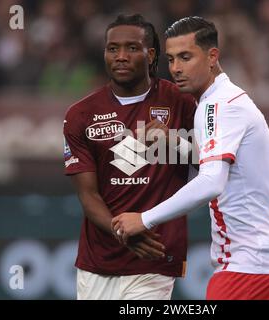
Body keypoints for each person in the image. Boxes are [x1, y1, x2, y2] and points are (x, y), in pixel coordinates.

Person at [112, 16, 269, 300]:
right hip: (260, 258)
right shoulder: (219, 101)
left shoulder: (218, 106)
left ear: (212, 56)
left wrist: (144, 219)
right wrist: (177, 144)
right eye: (172, 59)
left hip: (253, 261)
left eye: (186, 57)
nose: (175, 68)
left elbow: (212, 181)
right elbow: (224, 163)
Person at [63, 14, 196, 300]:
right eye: (113, 49)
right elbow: (89, 196)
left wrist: (175, 142)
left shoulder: (183, 102)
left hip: (155, 256)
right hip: (98, 261)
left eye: (132, 48)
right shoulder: (80, 115)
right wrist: (124, 232)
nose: (121, 56)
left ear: (150, 55)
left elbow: (214, 162)